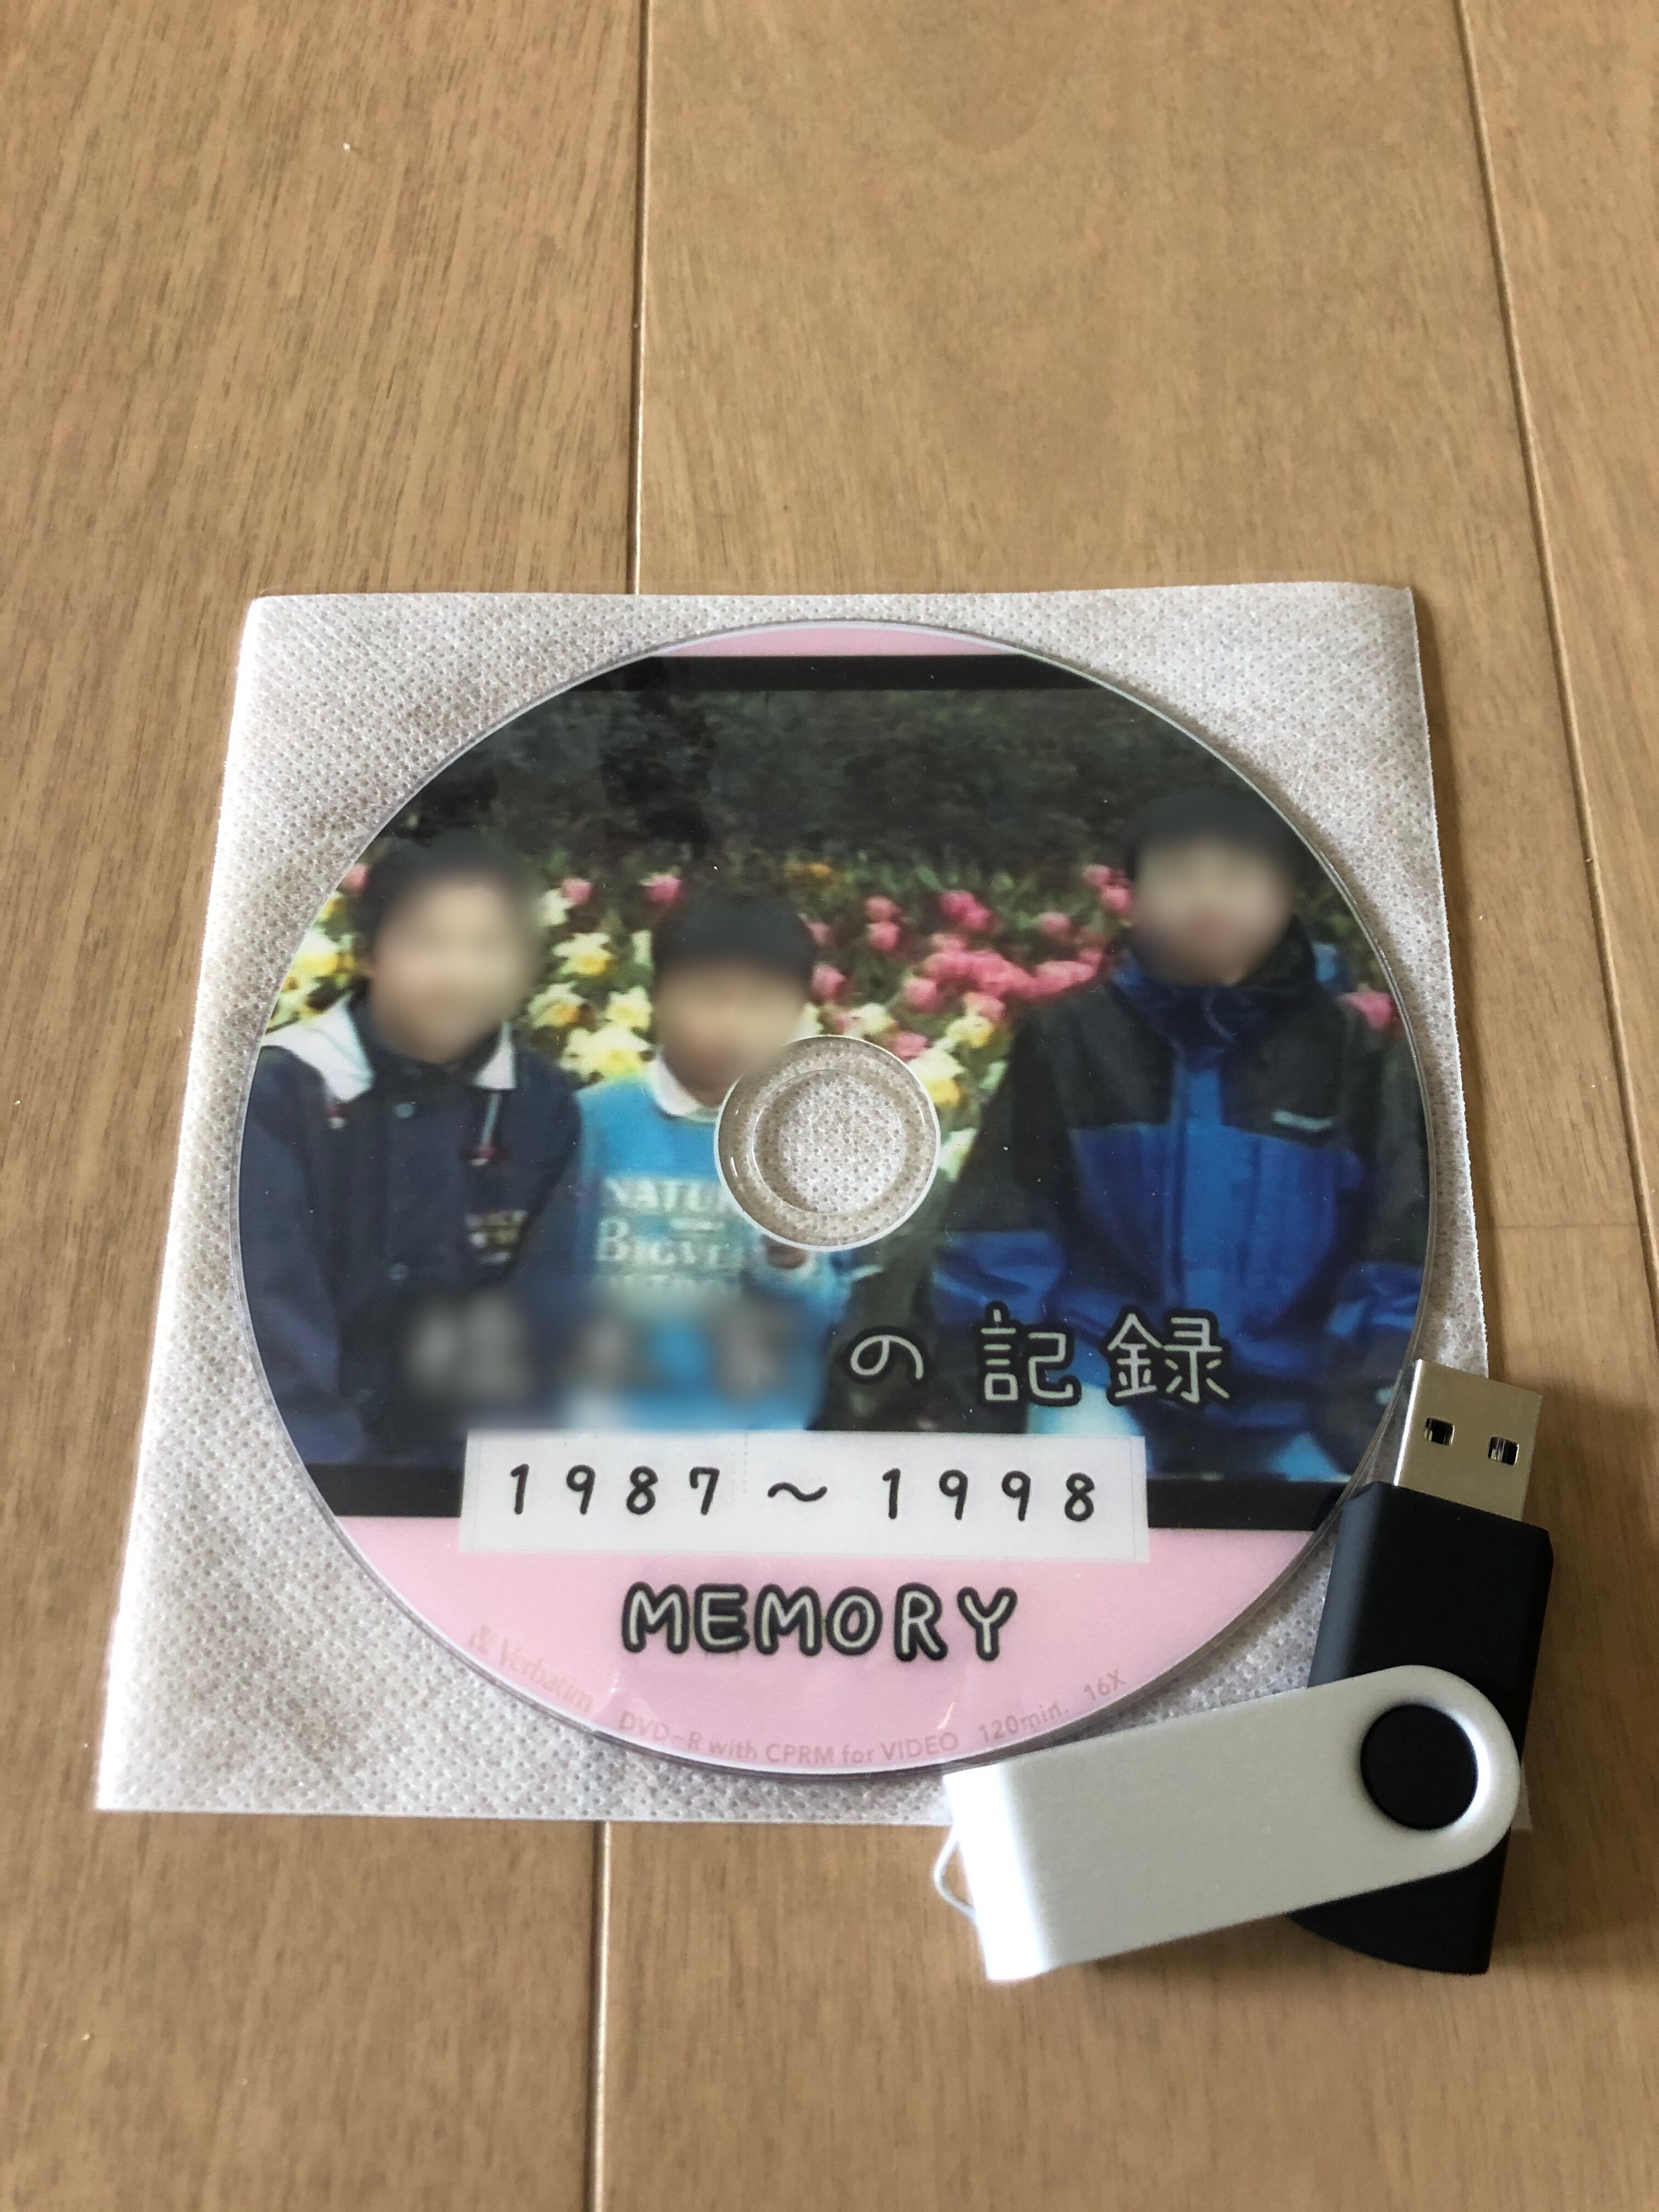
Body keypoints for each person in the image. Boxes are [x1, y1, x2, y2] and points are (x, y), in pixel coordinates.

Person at [930, 786, 1427, 1479]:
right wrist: (985, 1393)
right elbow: (1003, 1229)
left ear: (1287, 894)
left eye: (1237, 875)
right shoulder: (1071, 1039)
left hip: (1295, 1392)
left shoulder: (1352, 1055)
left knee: (1340, 1523)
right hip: (1106, 1367)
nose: (1208, 900)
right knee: (1068, 1503)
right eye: (1179, 875)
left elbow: (1396, 1249)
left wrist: (1361, 1393)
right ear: (1134, 895)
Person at [239, 832, 581, 1471]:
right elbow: (273, 1317)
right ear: (370, 955)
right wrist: (343, 1480)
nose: (460, 975)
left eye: (489, 948)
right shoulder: (285, 1092)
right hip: (311, 1463)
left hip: (475, 1469)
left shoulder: (539, 1100)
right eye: (430, 944)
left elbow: (542, 1306)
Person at [548, 889, 849, 1430]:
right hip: (601, 1430)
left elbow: (824, 1319)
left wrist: (791, 1264)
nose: (732, 1023)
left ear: (799, 1014)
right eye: (708, 996)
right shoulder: (590, 1123)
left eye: (761, 1002)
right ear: (657, 999)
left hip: (752, 1437)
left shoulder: (816, 1143)